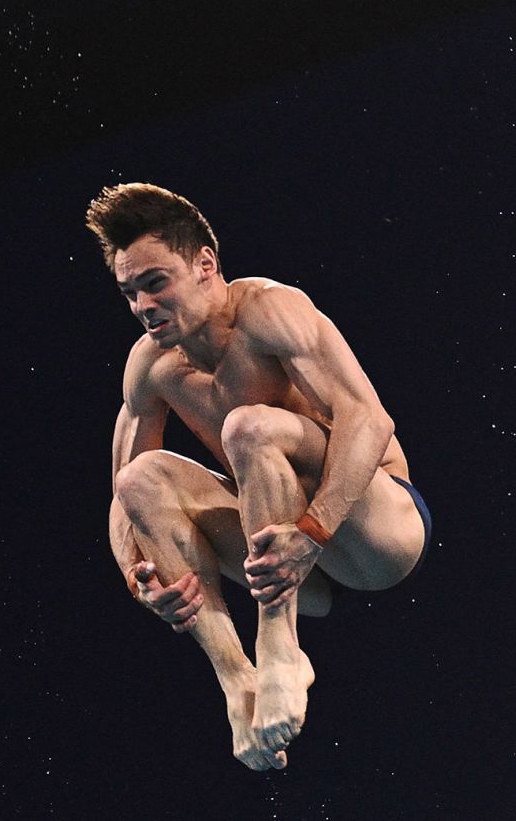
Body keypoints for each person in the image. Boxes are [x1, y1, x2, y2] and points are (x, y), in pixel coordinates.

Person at [85, 182, 431, 770]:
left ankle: (278, 647)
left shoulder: (271, 311)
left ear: (204, 265)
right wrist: (140, 582)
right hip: (289, 564)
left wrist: (315, 531)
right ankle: (238, 682)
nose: (143, 306)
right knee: (140, 478)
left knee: (249, 427)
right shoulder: (150, 366)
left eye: (155, 283)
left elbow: (368, 418)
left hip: (375, 533)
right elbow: (124, 498)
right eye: (129, 293)